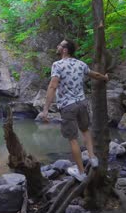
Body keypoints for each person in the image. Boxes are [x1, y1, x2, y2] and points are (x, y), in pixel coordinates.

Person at [38, 39, 109, 181]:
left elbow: (53, 86)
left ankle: (81, 173)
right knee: (85, 130)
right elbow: (94, 74)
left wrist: (45, 109)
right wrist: (105, 78)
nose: (57, 46)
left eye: (60, 45)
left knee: (73, 139)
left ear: (65, 50)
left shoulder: (57, 65)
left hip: (67, 106)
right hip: (82, 103)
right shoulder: (80, 64)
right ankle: (92, 157)